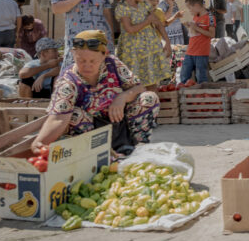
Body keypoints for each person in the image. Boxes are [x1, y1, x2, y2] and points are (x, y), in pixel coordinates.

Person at [30, 30, 159, 159]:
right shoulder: (67, 81)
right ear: (73, 55)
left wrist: (122, 98)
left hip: (121, 125)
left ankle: (138, 148)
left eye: (93, 61)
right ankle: (97, 156)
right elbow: (58, 118)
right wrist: (39, 143)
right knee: (75, 115)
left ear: (104, 55)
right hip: (93, 133)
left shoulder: (112, 64)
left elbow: (139, 87)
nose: (87, 66)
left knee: (149, 98)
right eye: (81, 60)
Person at [114, 0, 171, 90]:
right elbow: (129, 29)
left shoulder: (145, 5)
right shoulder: (123, 7)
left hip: (149, 51)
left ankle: (153, 104)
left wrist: (167, 42)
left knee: (152, 82)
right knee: (133, 84)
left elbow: (158, 24)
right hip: (133, 53)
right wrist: (147, 21)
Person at [181, 0, 215, 84]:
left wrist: (196, 28)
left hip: (201, 53)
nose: (189, 11)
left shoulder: (210, 17)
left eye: (190, 8)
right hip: (190, 51)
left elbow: (212, 34)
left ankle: (202, 95)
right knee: (184, 76)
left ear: (196, 6)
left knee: (201, 77)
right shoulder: (196, 16)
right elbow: (195, 32)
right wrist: (190, 26)